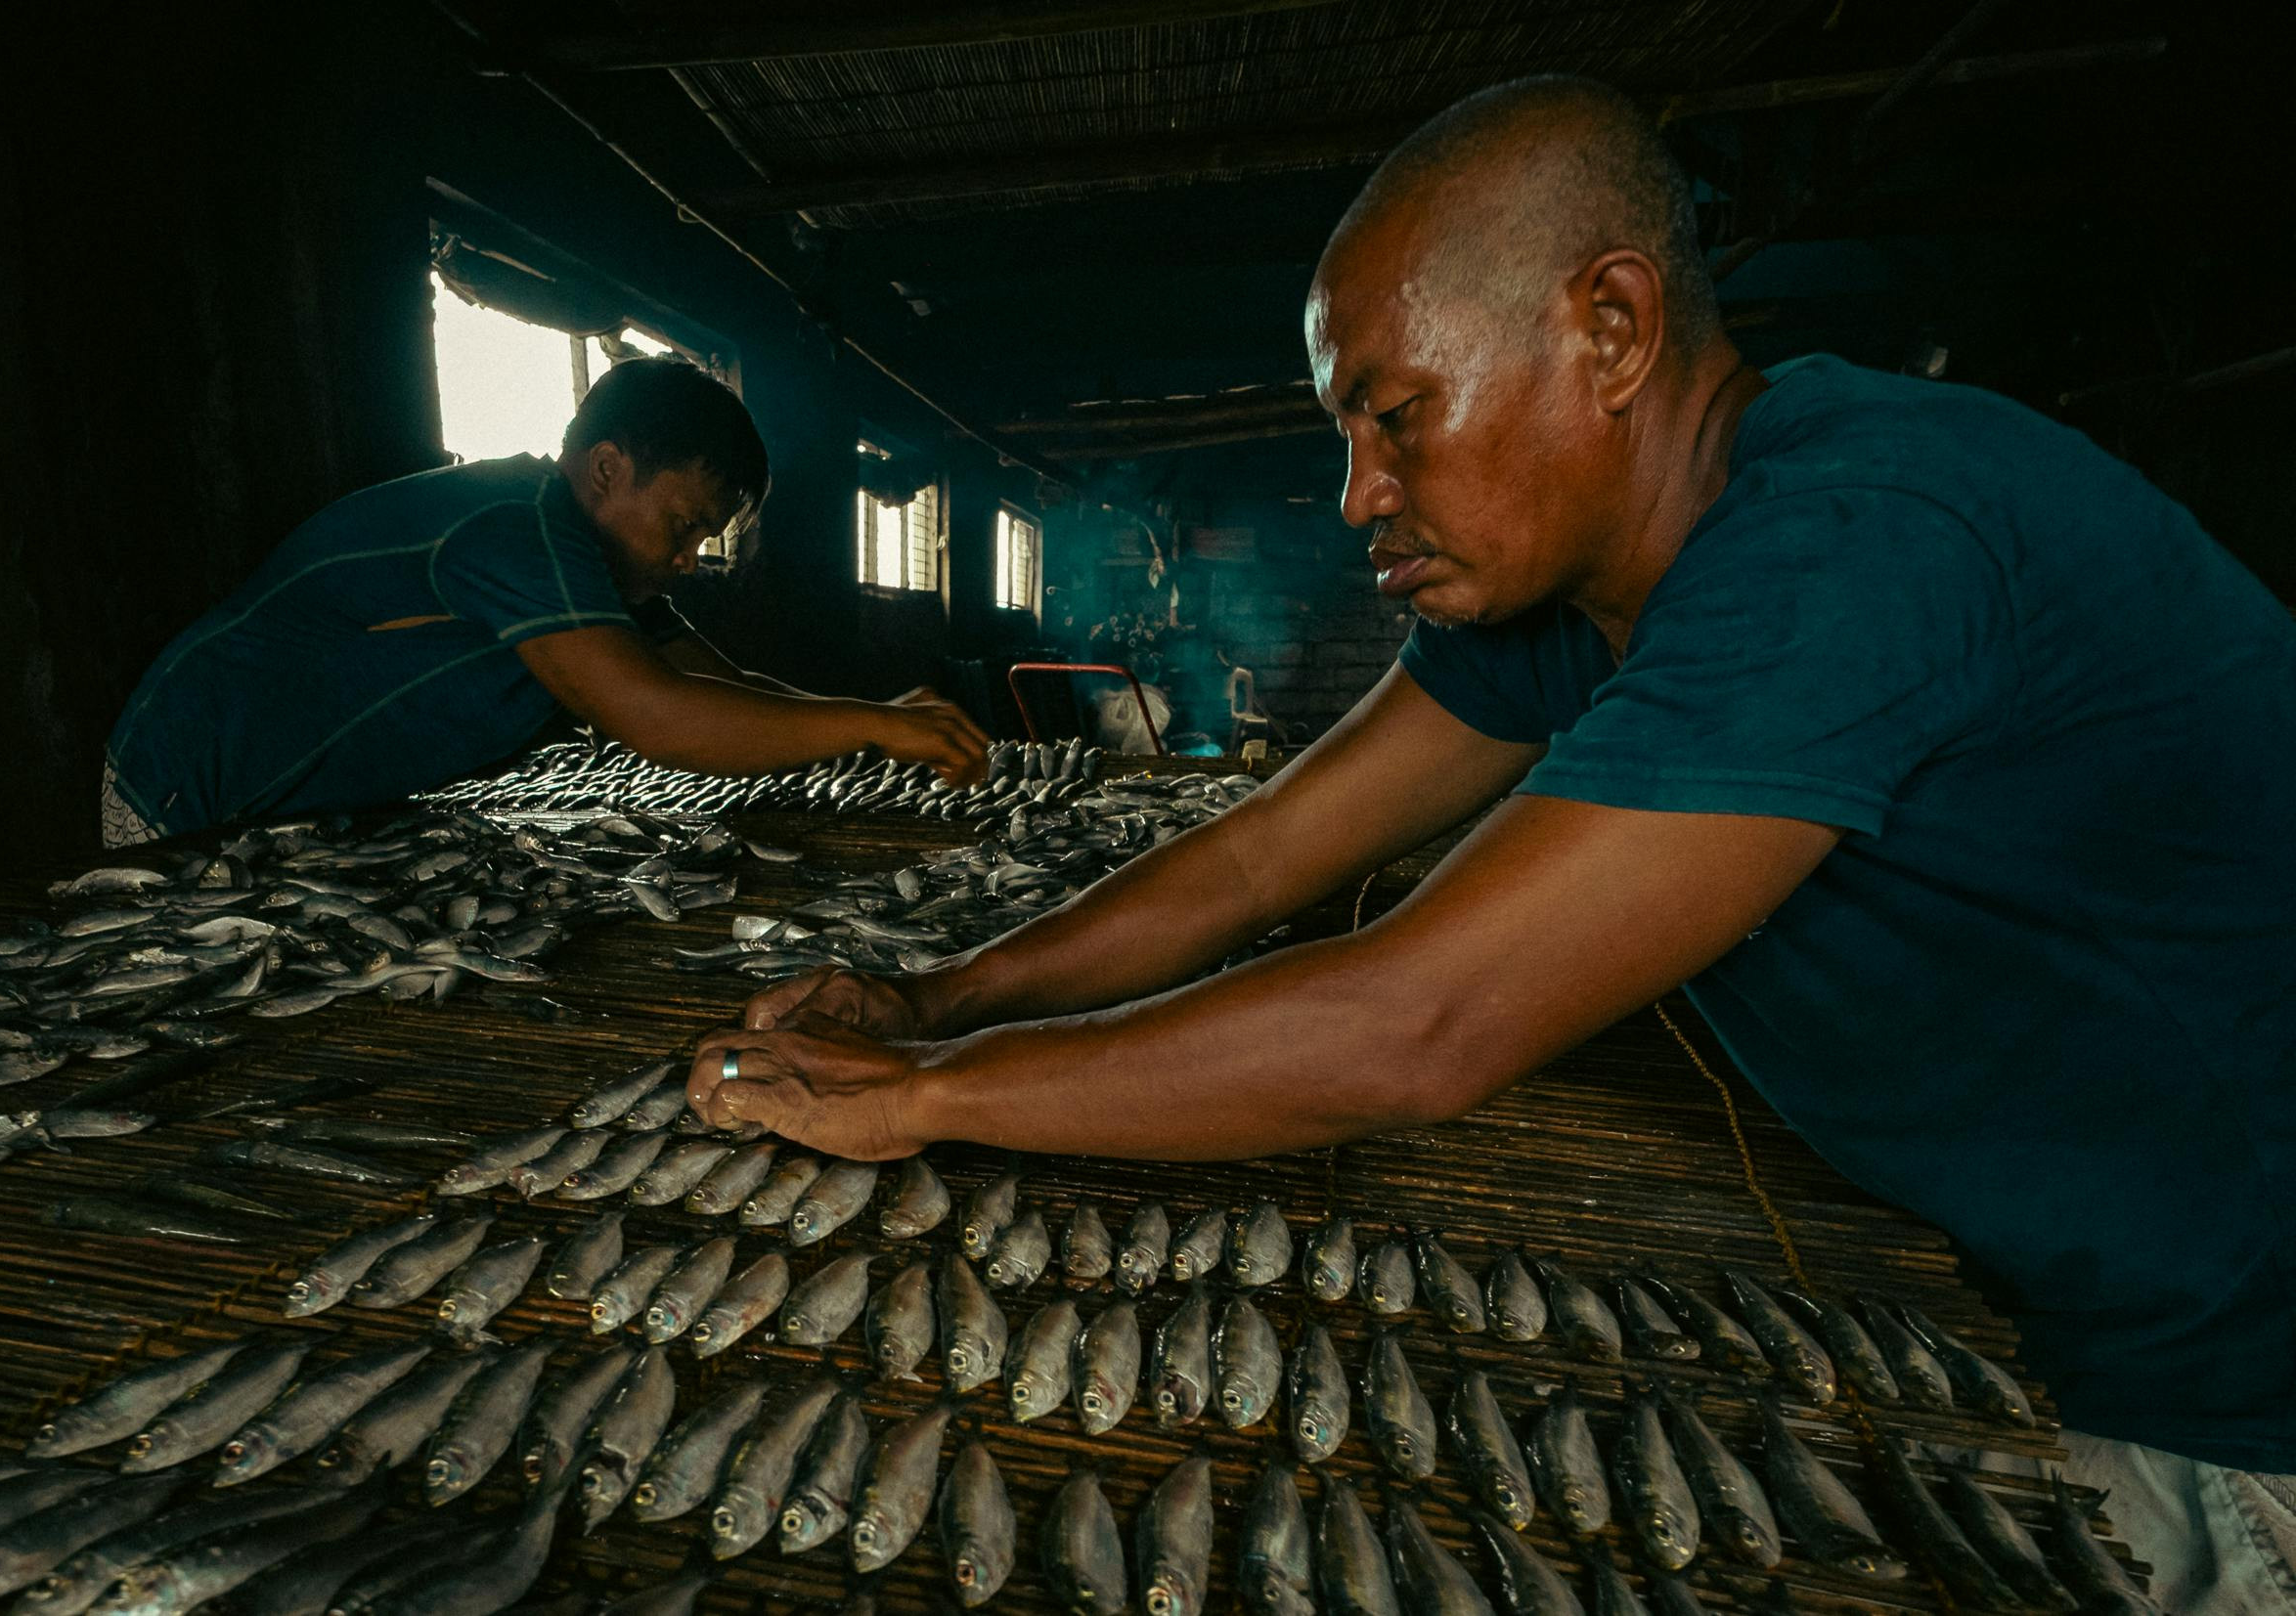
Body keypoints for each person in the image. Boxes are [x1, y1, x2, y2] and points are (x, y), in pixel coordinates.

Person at [687, 77, 2296, 1610]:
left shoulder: (1856, 534)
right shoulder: (1581, 589)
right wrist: (936, 1000)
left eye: (1395, 416)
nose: (1355, 490)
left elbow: (1413, 1022)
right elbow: (1261, 858)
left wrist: (929, 1103)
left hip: (2239, 1388)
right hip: (2083, 1298)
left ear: (1611, 327)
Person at [104, 356, 989, 845]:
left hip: (303, 812)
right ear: (607, 470)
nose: (686, 559)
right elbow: (660, 719)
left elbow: (728, 690)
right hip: (189, 786)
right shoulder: (514, 525)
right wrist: (871, 725)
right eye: (681, 524)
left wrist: (871, 717)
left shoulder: (604, 577)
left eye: (702, 540)